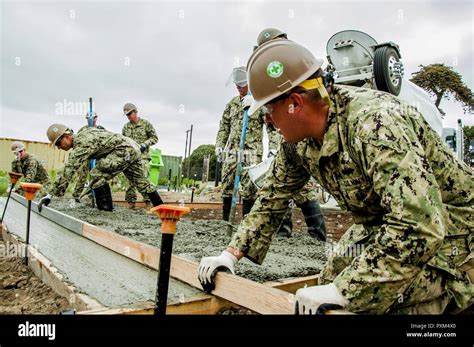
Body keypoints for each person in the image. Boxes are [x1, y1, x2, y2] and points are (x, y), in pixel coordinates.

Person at [198, 40, 473, 314]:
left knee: (383, 299)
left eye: (269, 110)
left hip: (452, 229)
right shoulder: (297, 143)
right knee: (329, 281)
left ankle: (460, 293)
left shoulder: (375, 124)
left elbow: (419, 225)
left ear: (295, 103)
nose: (267, 121)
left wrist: (347, 291)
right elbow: (272, 197)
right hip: (382, 223)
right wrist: (230, 254)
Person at [254, 27, 327, 240]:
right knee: (280, 187)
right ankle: (283, 236)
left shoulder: (297, 63)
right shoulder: (262, 78)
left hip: (303, 134)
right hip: (285, 143)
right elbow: (273, 195)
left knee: (305, 192)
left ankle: (318, 237)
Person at [39, 124, 163, 212]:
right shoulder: (86, 133)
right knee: (142, 183)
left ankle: (105, 211)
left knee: (96, 175)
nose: (59, 148)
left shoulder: (82, 144)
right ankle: (162, 211)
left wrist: (49, 195)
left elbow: (69, 170)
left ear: (66, 137)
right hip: (131, 148)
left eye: (58, 144)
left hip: (123, 150)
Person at [215, 66, 279, 221]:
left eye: (242, 85)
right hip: (231, 152)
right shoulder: (232, 104)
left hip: (251, 153)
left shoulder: (260, 103)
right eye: (237, 86)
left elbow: (272, 126)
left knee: (249, 189)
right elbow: (224, 126)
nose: (239, 88)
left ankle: (247, 224)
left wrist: (273, 148)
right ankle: (226, 222)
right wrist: (219, 145)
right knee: (227, 187)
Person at [122, 103, 158, 209]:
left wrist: (145, 144)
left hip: (143, 157)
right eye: (127, 115)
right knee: (130, 181)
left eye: (130, 114)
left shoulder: (146, 124)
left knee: (143, 180)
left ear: (135, 112)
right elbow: (123, 142)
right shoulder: (126, 127)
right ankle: (131, 203)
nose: (129, 116)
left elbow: (155, 138)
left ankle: (148, 202)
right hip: (131, 158)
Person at [72, 112, 106, 202]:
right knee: (82, 176)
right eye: (88, 118)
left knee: (97, 176)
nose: (90, 120)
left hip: (97, 156)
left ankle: (97, 196)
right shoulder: (83, 130)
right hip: (86, 156)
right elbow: (77, 143)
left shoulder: (101, 129)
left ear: (96, 118)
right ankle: (76, 196)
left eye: (93, 118)